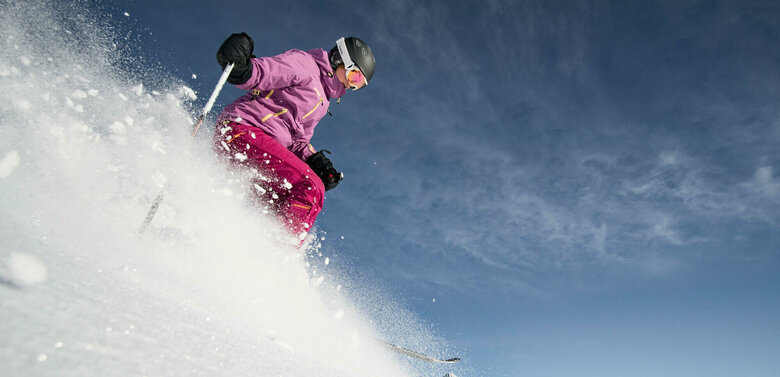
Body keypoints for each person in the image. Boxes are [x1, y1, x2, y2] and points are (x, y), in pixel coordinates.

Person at [212, 33, 375, 242]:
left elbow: (297, 140)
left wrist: (314, 161)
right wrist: (243, 69)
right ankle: (279, 254)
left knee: (281, 203)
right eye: (355, 78)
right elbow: (265, 73)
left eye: (359, 86)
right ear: (340, 60)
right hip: (243, 131)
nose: (352, 87)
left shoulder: (323, 102)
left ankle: (246, 248)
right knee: (310, 188)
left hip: (259, 147)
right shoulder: (305, 64)